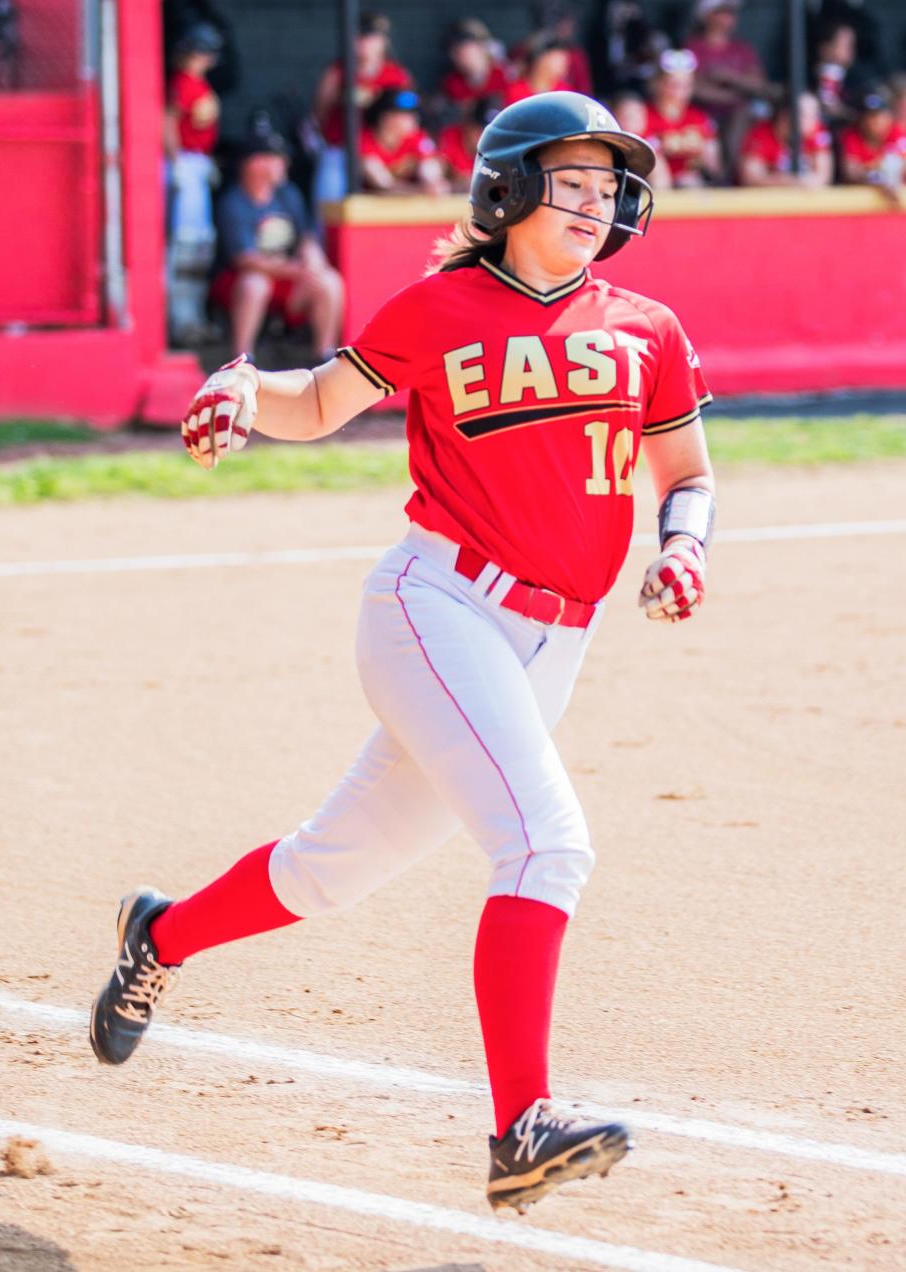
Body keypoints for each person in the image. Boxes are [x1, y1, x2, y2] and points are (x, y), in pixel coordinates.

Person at [90, 91, 716, 1216]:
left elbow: (689, 473)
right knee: (545, 845)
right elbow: (324, 398)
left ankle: (160, 937)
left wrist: (684, 548)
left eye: (609, 183)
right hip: (439, 610)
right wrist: (243, 390)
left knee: (330, 871)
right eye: (570, 179)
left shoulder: (648, 328)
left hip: (554, 643)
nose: (595, 199)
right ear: (512, 189)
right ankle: (521, 1127)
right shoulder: (442, 308)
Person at [210, 134, 344, 362]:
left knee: (329, 281)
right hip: (238, 282)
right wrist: (297, 270)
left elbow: (306, 238)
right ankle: (241, 358)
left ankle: (324, 356)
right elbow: (245, 260)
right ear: (255, 164)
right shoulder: (233, 201)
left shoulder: (288, 194)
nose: (284, 165)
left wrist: (313, 259)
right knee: (255, 283)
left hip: (285, 278)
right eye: (276, 159)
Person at [312, 11, 413, 205]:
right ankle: (324, 233)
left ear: (383, 41)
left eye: (372, 38)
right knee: (329, 195)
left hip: (379, 152)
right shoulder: (337, 72)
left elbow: (407, 119)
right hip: (341, 150)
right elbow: (319, 114)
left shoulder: (396, 75)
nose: (366, 43)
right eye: (361, 37)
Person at [165, 22, 224, 345]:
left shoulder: (197, 83)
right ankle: (180, 321)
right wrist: (176, 163)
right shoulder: (183, 83)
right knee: (186, 245)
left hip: (196, 162)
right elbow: (168, 121)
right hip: (184, 162)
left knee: (199, 244)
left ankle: (191, 319)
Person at [684, 0, 775, 177]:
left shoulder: (741, 48)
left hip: (736, 113)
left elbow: (759, 84)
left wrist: (729, 77)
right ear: (707, 15)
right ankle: (718, 176)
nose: (728, 18)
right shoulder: (694, 47)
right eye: (722, 12)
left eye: (731, 13)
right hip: (700, 112)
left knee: (743, 113)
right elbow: (694, 88)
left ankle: (730, 176)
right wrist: (736, 92)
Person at [644, 48, 721, 187]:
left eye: (686, 86)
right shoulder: (643, 115)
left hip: (689, 190)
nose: (680, 93)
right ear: (658, 83)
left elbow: (714, 168)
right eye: (673, 85)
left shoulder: (699, 118)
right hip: (652, 191)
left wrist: (702, 156)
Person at [360, 88, 449, 195]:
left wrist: (433, 183)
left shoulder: (416, 137)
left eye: (413, 114)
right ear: (385, 118)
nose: (413, 119)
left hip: (405, 203)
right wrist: (420, 191)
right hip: (370, 205)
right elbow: (384, 185)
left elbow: (430, 170)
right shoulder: (364, 140)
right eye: (404, 114)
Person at [738, 93, 833, 188]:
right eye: (804, 115)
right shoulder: (762, 133)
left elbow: (823, 176)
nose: (812, 121)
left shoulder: (817, 131)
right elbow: (750, 178)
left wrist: (807, 181)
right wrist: (791, 182)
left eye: (814, 114)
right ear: (785, 115)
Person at [438, 17, 511, 114]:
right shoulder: (452, 83)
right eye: (455, 51)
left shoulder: (505, 75)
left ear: (481, 47)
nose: (459, 56)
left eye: (464, 49)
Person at [839, 87, 906, 190]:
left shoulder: (898, 133)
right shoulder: (851, 136)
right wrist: (878, 179)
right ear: (861, 120)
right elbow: (851, 173)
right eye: (870, 116)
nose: (876, 121)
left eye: (880, 115)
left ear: (888, 117)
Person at [608, 91, 673, 189]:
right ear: (614, 117)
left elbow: (662, 179)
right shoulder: (607, 141)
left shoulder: (649, 141)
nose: (635, 119)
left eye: (639, 114)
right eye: (628, 115)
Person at [438, 97, 498, 192]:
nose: (485, 136)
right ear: (468, 126)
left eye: (490, 132)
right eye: (480, 129)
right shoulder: (452, 135)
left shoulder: (498, 147)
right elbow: (441, 166)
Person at [503, 31, 573, 105]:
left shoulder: (565, 93)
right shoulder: (515, 92)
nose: (565, 64)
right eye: (559, 60)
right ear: (540, 59)